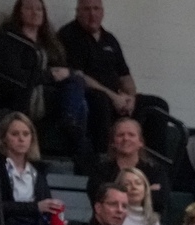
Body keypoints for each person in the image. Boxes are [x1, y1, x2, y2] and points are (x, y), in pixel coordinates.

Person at [57, 0, 168, 157]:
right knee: (100, 100)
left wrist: (130, 98)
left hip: (117, 97)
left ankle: (155, 164)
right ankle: (103, 160)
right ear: (78, 12)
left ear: (102, 12)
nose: (92, 14)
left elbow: (125, 75)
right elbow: (78, 75)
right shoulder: (68, 35)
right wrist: (113, 96)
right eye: (87, 9)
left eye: (96, 9)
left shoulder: (110, 39)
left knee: (158, 105)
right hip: (90, 95)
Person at [0, 0, 88, 155]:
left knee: (78, 85)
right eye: (29, 8)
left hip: (45, 89)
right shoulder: (9, 39)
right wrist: (50, 76)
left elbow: (61, 67)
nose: (35, 13)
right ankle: (70, 124)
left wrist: (66, 74)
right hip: (20, 92)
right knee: (75, 96)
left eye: (39, 9)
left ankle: (70, 122)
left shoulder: (49, 41)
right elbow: (15, 75)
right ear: (19, 12)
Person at [0, 112, 59, 225]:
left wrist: (54, 220)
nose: (21, 139)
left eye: (26, 134)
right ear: (4, 138)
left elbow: (46, 203)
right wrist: (35, 207)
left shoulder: (37, 169)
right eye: (15, 134)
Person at [84, 117, 169, 218]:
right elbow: (97, 197)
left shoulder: (155, 169)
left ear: (140, 142)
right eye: (120, 135)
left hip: (145, 223)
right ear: (113, 142)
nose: (126, 138)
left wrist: (116, 194)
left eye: (131, 135)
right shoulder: (101, 168)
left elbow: (159, 200)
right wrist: (145, 192)